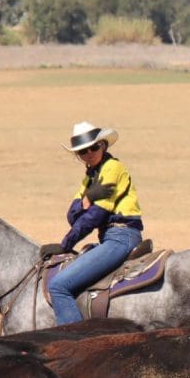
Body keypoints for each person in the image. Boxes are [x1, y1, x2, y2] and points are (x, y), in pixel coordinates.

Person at [38, 121, 145, 325]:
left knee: (59, 287)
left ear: (103, 145)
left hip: (120, 237)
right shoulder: (90, 178)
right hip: (108, 238)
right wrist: (88, 198)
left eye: (94, 147)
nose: (89, 153)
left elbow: (96, 216)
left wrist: (66, 245)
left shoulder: (113, 167)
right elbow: (72, 215)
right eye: (82, 152)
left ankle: (75, 345)